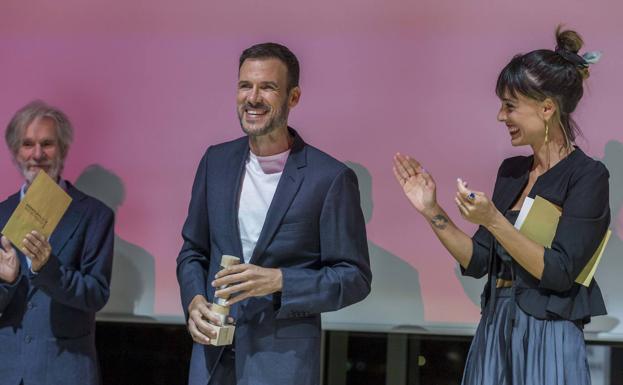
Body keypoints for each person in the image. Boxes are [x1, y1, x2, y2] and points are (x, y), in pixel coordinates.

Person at [393, 27, 609, 385]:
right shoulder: (512, 172)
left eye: (510, 106)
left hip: (549, 331)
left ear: (546, 108)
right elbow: (479, 261)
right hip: (496, 323)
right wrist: (431, 210)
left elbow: (559, 272)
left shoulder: (587, 176)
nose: (500, 117)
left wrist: (494, 219)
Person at [176, 42, 372, 385]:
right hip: (210, 360)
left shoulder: (329, 178)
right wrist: (194, 301)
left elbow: (354, 278)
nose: (253, 98)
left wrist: (280, 281)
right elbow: (193, 251)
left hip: (282, 366)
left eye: (267, 87)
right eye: (244, 86)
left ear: (293, 97)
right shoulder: (215, 162)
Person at [0, 101, 114, 385]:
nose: (37, 154)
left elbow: (96, 295)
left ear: (62, 150)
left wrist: (48, 268)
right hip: (9, 371)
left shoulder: (95, 216)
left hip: (66, 371)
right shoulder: (1, 215)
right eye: (27, 144)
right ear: (16, 152)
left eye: (47, 144)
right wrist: (8, 281)